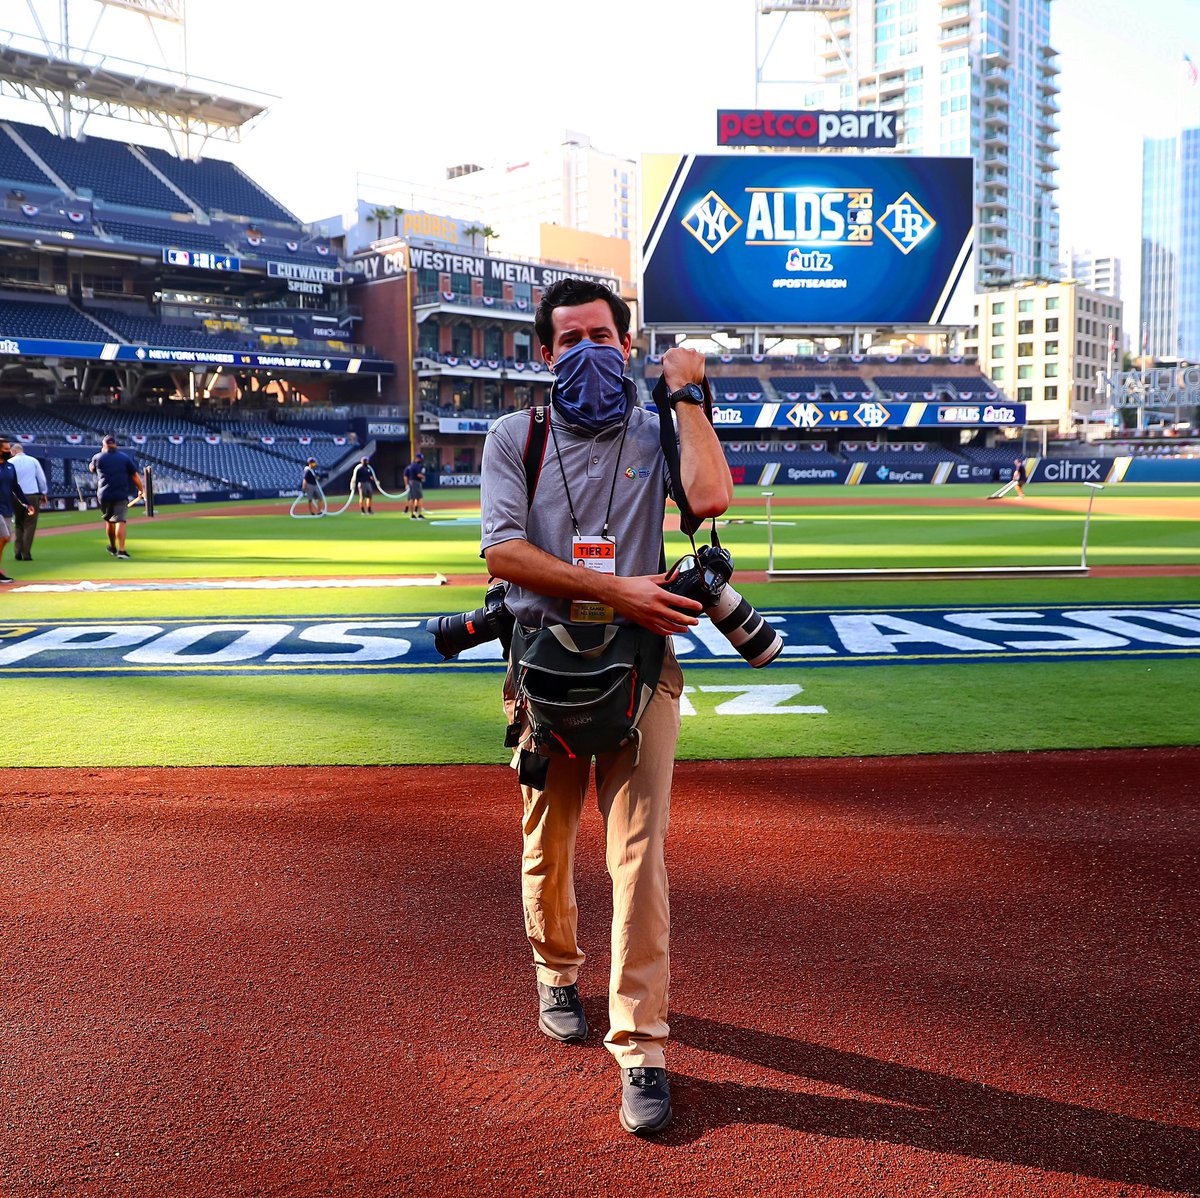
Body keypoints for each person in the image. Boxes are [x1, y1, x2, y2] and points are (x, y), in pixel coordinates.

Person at [479, 278, 732, 1135]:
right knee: (547, 843)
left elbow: (707, 502)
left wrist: (689, 395)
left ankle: (643, 1047)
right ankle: (557, 970)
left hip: (642, 670)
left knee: (639, 858)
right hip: (542, 671)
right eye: (571, 337)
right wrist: (619, 588)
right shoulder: (516, 434)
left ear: (627, 345)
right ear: (546, 354)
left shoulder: (659, 427)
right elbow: (503, 552)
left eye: (603, 335)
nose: (589, 349)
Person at [87, 435, 144, 559]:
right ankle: (121, 551)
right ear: (115, 445)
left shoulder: (97, 457)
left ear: (104, 445)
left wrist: (101, 454)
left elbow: (91, 468)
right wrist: (141, 490)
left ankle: (112, 546)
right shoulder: (124, 458)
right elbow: (134, 476)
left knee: (109, 521)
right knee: (120, 521)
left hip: (104, 494)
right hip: (120, 494)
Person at [0, 436, 36, 583]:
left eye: (9, 450)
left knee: (4, 540)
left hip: (7, 508)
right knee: (4, 537)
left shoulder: (10, 467)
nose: (9, 452)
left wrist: (26, 503)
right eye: (5, 450)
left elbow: (15, 487)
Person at [8, 444, 47, 561]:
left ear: (13, 451)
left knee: (18, 523)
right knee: (30, 524)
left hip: (15, 496)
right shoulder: (33, 460)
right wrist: (44, 492)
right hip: (31, 495)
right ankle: (26, 553)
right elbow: (41, 478)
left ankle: (17, 550)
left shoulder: (10, 462)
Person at [403, 452, 426, 519]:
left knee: (411, 498)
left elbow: (405, 476)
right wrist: (423, 477)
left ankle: (412, 515)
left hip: (411, 482)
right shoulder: (417, 466)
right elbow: (418, 475)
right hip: (416, 482)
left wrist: (406, 484)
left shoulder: (410, 466)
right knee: (419, 498)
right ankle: (419, 514)